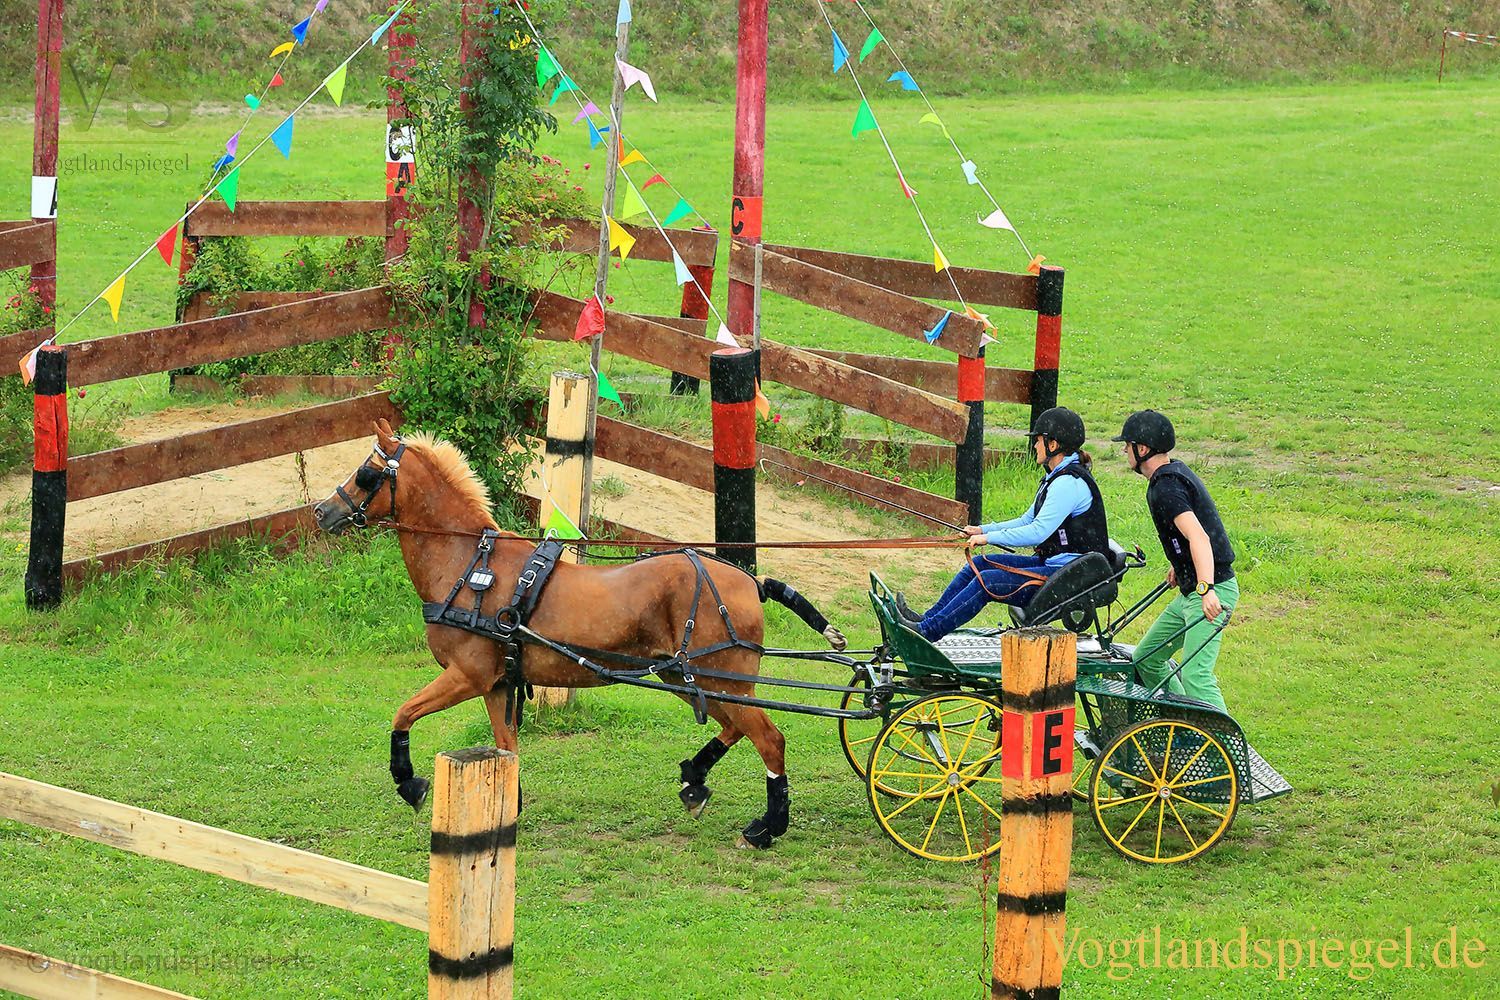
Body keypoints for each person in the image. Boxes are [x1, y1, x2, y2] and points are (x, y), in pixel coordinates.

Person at [896, 407, 1111, 641]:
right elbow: (1027, 520)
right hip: (1055, 567)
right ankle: (925, 620)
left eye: (1038, 441)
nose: (1035, 446)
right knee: (978, 564)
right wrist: (983, 530)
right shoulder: (1057, 477)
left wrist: (988, 539)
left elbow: (1038, 532)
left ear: (1053, 445)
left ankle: (925, 633)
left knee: (986, 581)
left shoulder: (1068, 484)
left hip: (1064, 578)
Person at [1112, 410, 1237, 711]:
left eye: (1127, 445)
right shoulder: (1171, 475)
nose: (1123, 450)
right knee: (1147, 659)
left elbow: (1200, 537)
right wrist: (1181, 566)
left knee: (1196, 674)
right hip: (1190, 589)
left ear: (1142, 449)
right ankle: (1185, 721)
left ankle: (1228, 750)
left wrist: (1206, 588)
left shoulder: (1166, 487)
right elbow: (1190, 535)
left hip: (1211, 591)